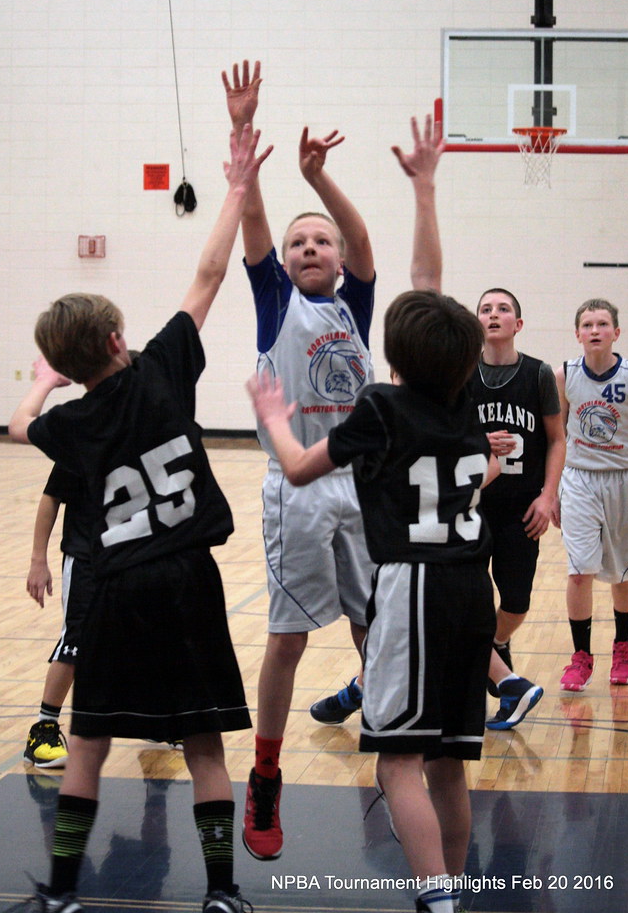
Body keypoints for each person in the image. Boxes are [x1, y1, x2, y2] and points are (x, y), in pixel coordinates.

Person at [6, 123, 272, 913]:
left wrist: (41, 384)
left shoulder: (70, 422)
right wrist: (233, 184)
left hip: (114, 585)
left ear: (71, 364)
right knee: (202, 747)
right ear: (121, 339)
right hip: (187, 579)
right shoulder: (163, 371)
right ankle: (221, 890)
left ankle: (59, 889)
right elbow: (210, 270)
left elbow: (19, 428)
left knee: (86, 744)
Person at [222, 60, 443, 861]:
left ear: (339, 259)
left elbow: (367, 244)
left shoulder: (351, 301)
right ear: (282, 262)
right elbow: (252, 228)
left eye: (321, 240)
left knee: (371, 626)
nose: (310, 246)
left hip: (362, 482)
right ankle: (267, 772)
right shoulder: (277, 301)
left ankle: (397, 753)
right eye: (298, 242)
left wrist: (323, 177)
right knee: (288, 639)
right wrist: (245, 137)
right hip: (297, 487)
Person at [246, 286, 499, 913]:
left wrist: (275, 418)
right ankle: (454, 894)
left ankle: (434, 899)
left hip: (414, 586)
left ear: (392, 360)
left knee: (397, 762)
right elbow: (430, 279)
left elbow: (301, 467)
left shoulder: (380, 406)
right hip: (473, 588)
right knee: (448, 763)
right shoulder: (468, 405)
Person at [470, 289, 565, 730]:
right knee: (466, 600)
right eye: (486, 309)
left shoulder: (538, 374)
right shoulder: (461, 374)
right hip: (471, 506)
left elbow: (557, 439)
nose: (494, 315)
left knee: (516, 601)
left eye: (502, 309)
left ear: (518, 324)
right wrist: (477, 443)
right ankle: (491, 672)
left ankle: (496, 644)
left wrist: (548, 496)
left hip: (522, 507)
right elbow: (446, 434)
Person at [555, 297, 628, 691]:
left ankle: (623, 648)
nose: (595, 331)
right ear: (577, 334)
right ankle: (581, 657)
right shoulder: (565, 374)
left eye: (602, 324)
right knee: (579, 570)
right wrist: (549, 490)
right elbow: (555, 438)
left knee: (624, 570)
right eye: (587, 325)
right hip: (580, 478)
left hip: (625, 478)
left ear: (616, 333)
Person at [23, 463, 95, 769]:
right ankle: (43, 729)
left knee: (149, 634)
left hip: (137, 555)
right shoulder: (82, 432)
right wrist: (39, 560)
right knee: (76, 642)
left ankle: (155, 719)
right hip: (87, 558)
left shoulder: (150, 432)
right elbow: (51, 497)